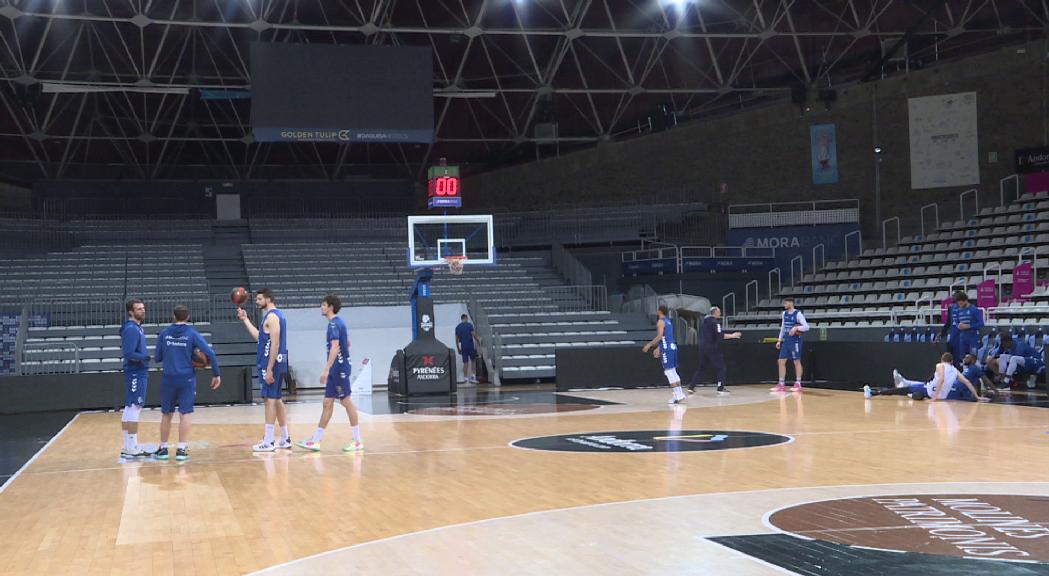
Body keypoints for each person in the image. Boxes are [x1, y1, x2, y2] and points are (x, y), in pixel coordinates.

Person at [296, 295, 364, 452]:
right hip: (337, 368)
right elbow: (347, 342)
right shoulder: (339, 323)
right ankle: (316, 441)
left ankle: (358, 440)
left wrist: (326, 369)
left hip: (338, 369)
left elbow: (335, 347)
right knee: (327, 403)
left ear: (331, 307)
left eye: (324, 305)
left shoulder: (334, 324)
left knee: (346, 402)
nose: (321, 307)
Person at [153, 305, 220, 461]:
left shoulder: (164, 334)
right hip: (186, 379)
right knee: (185, 413)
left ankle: (163, 449)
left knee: (166, 414)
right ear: (188, 317)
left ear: (173, 316)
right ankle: (181, 449)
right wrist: (216, 373)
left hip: (168, 378)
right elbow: (210, 353)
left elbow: (157, 357)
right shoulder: (192, 334)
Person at [238, 288, 292, 452]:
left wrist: (269, 368)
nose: (256, 301)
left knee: (269, 400)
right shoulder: (269, 317)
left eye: (260, 299)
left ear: (268, 299)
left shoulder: (274, 317)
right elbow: (260, 338)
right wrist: (245, 320)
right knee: (277, 400)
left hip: (272, 364)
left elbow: (275, 344)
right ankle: (285, 438)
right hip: (271, 363)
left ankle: (268, 441)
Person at [864, 353, 986, 402]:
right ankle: (913, 394)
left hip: (931, 391)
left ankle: (874, 393)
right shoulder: (955, 370)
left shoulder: (940, 365)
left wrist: (934, 398)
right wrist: (977, 397)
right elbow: (968, 382)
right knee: (916, 392)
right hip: (941, 397)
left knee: (902, 390)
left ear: (942, 360)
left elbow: (942, 379)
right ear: (952, 361)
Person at [120, 298, 151, 458]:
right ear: (131, 312)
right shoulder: (132, 329)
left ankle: (128, 446)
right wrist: (145, 357)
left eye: (143, 308)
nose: (143, 311)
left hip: (136, 372)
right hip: (135, 372)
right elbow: (129, 353)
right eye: (139, 309)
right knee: (134, 407)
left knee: (129, 408)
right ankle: (132, 446)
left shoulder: (136, 328)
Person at [686, 306, 742, 395]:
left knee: (701, 368)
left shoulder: (704, 322)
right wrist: (733, 335)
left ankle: (691, 386)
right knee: (721, 367)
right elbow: (720, 335)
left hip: (702, 348)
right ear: (715, 313)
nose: (720, 314)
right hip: (712, 348)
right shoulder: (715, 323)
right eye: (719, 312)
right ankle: (720, 388)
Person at [642, 305, 686, 405]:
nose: (656, 311)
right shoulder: (668, 321)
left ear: (660, 311)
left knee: (669, 372)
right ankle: (679, 394)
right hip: (672, 346)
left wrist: (649, 345)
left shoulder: (660, 321)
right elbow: (666, 337)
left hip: (667, 348)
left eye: (657, 310)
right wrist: (658, 348)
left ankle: (678, 394)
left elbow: (659, 336)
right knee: (673, 371)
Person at [774, 296, 809, 393]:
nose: (784, 305)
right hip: (786, 341)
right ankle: (781, 384)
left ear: (791, 303)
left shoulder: (798, 314)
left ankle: (798, 383)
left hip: (795, 341)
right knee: (781, 361)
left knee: (796, 361)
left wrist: (796, 328)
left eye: (785, 303)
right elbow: (783, 327)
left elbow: (806, 327)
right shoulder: (784, 314)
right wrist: (779, 340)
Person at [940, 291, 983, 364]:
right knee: (962, 358)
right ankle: (963, 374)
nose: (959, 305)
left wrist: (969, 326)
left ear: (965, 300)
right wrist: (958, 325)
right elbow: (955, 321)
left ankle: (976, 373)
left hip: (972, 337)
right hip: (962, 338)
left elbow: (981, 323)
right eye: (958, 304)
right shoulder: (959, 310)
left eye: (960, 303)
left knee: (973, 357)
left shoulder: (974, 309)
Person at [455, 314, 482, 384]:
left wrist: (458, 349)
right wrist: (478, 341)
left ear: (461, 319)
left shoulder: (458, 327)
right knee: (473, 360)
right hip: (470, 345)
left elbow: (456, 340)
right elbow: (473, 334)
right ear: (466, 318)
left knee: (465, 362)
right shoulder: (469, 325)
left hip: (463, 346)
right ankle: (473, 378)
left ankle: (465, 378)